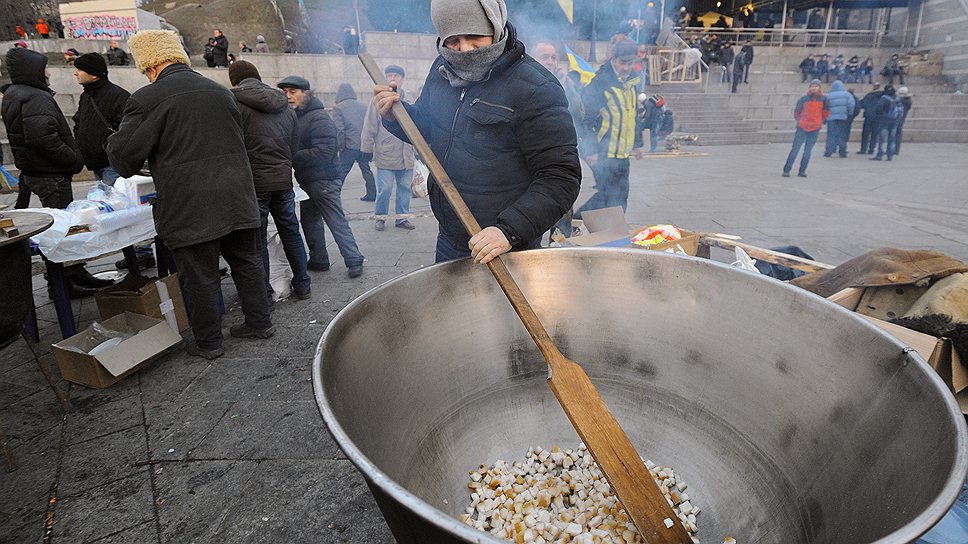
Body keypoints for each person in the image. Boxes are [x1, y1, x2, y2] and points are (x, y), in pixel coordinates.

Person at [106, 30, 274, 359]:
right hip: (237, 193)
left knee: (199, 274)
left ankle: (209, 342)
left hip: (190, 203)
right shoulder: (222, 92)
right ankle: (260, 322)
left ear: (149, 64)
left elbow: (124, 160)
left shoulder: (146, 99)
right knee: (247, 263)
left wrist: (111, 140)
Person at [373, 0, 580, 264]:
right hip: (449, 236)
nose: (464, 50)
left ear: (495, 26)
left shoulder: (535, 87)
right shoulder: (442, 70)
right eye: (453, 40)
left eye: (474, 37)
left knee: (500, 308)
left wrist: (509, 231)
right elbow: (428, 129)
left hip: (506, 246)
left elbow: (561, 177)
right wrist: (397, 116)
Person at [2, 47, 112, 297]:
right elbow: (42, 138)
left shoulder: (17, 94)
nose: (48, 72)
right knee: (62, 230)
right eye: (44, 69)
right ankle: (62, 283)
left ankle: (74, 273)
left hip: (41, 171)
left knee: (64, 227)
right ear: (34, 71)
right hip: (50, 173)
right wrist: (73, 158)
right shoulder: (34, 97)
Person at [228, 60, 311, 301]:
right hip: (283, 179)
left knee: (259, 239)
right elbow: (294, 145)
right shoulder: (284, 104)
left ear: (235, 80)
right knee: (291, 232)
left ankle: (264, 291)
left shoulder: (235, 102)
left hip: (255, 182)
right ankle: (303, 283)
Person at [278, 75, 365, 277]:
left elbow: (326, 151)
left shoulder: (318, 117)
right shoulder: (298, 116)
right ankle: (319, 259)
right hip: (308, 179)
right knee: (310, 221)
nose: (288, 97)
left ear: (305, 93)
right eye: (285, 92)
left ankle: (354, 259)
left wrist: (292, 156)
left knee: (335, 220)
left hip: (324, 179)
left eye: (293, 92)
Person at [576, 39, 642, 216]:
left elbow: (633, 114)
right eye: (623, 63)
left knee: (621, 199)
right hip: (603, 153)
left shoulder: (631, 83)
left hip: (622, 155)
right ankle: (575, 222)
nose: (626, 68)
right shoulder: (600, 83)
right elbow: (585, 120)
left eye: (631, 63)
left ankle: (610, 234)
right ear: (614, 59)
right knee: (607, 196)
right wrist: (590, 150)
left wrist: (637, 143)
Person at [362, 65, 416, 232]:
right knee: (384, 189)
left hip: (407, 154)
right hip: (386, 153)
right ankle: (380, 217)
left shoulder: (411, 99)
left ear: (402, 79)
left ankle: (402, 219)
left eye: (396, 75)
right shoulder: (377, 100)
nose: (393, 78)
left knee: (405, 189)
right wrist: (367, 148)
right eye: (390, 75)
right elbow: (369, 124)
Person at [72, 52, 130, 186]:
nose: (76, 73)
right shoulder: (85, 96)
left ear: (94, 74)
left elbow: (126, 130)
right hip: (94, 163)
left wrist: (107, 149)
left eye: (80, 69)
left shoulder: (118, 96)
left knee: (117, 203)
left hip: (111, 165)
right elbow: (78, 123)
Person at [331, 83, 376, 201]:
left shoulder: (338, 108)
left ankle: (334, 196)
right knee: (366, 170)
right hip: (363, 145)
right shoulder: (363, 106)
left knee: (342, 171)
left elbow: (339, 130)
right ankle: (372, 193)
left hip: (349, 146)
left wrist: (340, 147)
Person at [782, 79, 829, 178]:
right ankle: (787, 170)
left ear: (819, 88)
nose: (814, 88)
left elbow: (826, 112)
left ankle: (802, 170)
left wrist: (821, 121)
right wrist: (800, 121)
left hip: (815, 128)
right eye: (812, 86)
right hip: (802, 127)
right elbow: (797, 112)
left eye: (816, 86)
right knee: (795, 149)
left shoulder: (824, 99)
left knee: (808, 151)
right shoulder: (803, 99)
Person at [823, 79, 854, 158]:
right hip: (843, 118)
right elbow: (851, 105)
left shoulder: (829, 96)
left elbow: (825, 107)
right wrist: (849, 113)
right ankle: (842, 151)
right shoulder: (847, 95)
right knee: (842, 135)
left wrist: (825, 117)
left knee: (831, 135)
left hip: (831, 118)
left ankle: (828, 152)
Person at [869, 84, 901, 161]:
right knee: (892, 138)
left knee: (881, 138)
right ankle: (890, 156)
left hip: (884, 120)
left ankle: (879, 155)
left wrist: (878, 116)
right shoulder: (897, 98)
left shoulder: (884, 98)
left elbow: (878, 109)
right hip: (894, 120)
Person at [857, 83, 883, 155]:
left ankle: (863, 149)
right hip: (878, 117)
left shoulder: (869, 95)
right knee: (875, 134)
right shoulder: (882, 96)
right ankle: (871, 149)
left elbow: (861, 104)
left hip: (868, 117)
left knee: (865, 134)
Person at [894, 86, 913, 156]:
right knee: (898, 134)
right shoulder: (909, 101)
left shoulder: (899, 101)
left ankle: (892, 149)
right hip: (902, 119)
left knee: (893, 134)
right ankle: (896, 150)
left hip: (896, 118)